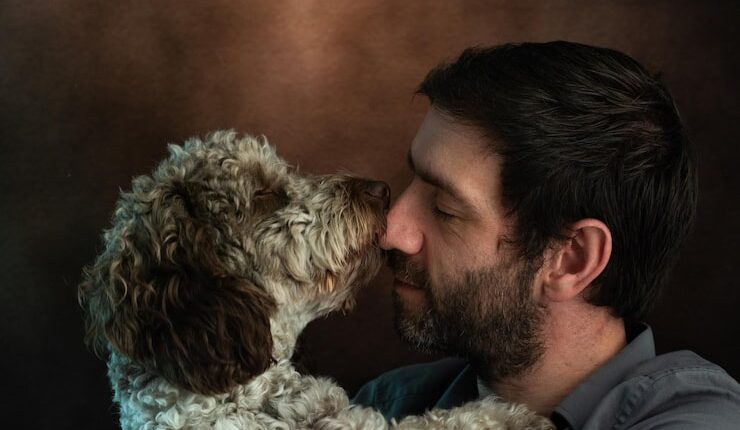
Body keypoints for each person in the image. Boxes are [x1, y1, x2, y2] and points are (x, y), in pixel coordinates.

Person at [352, 41, 740, 429]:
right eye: (411, 180)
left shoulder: (701, 419)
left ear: (572, 260)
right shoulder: (385, 405)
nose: (389, 232)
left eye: (445, 209)